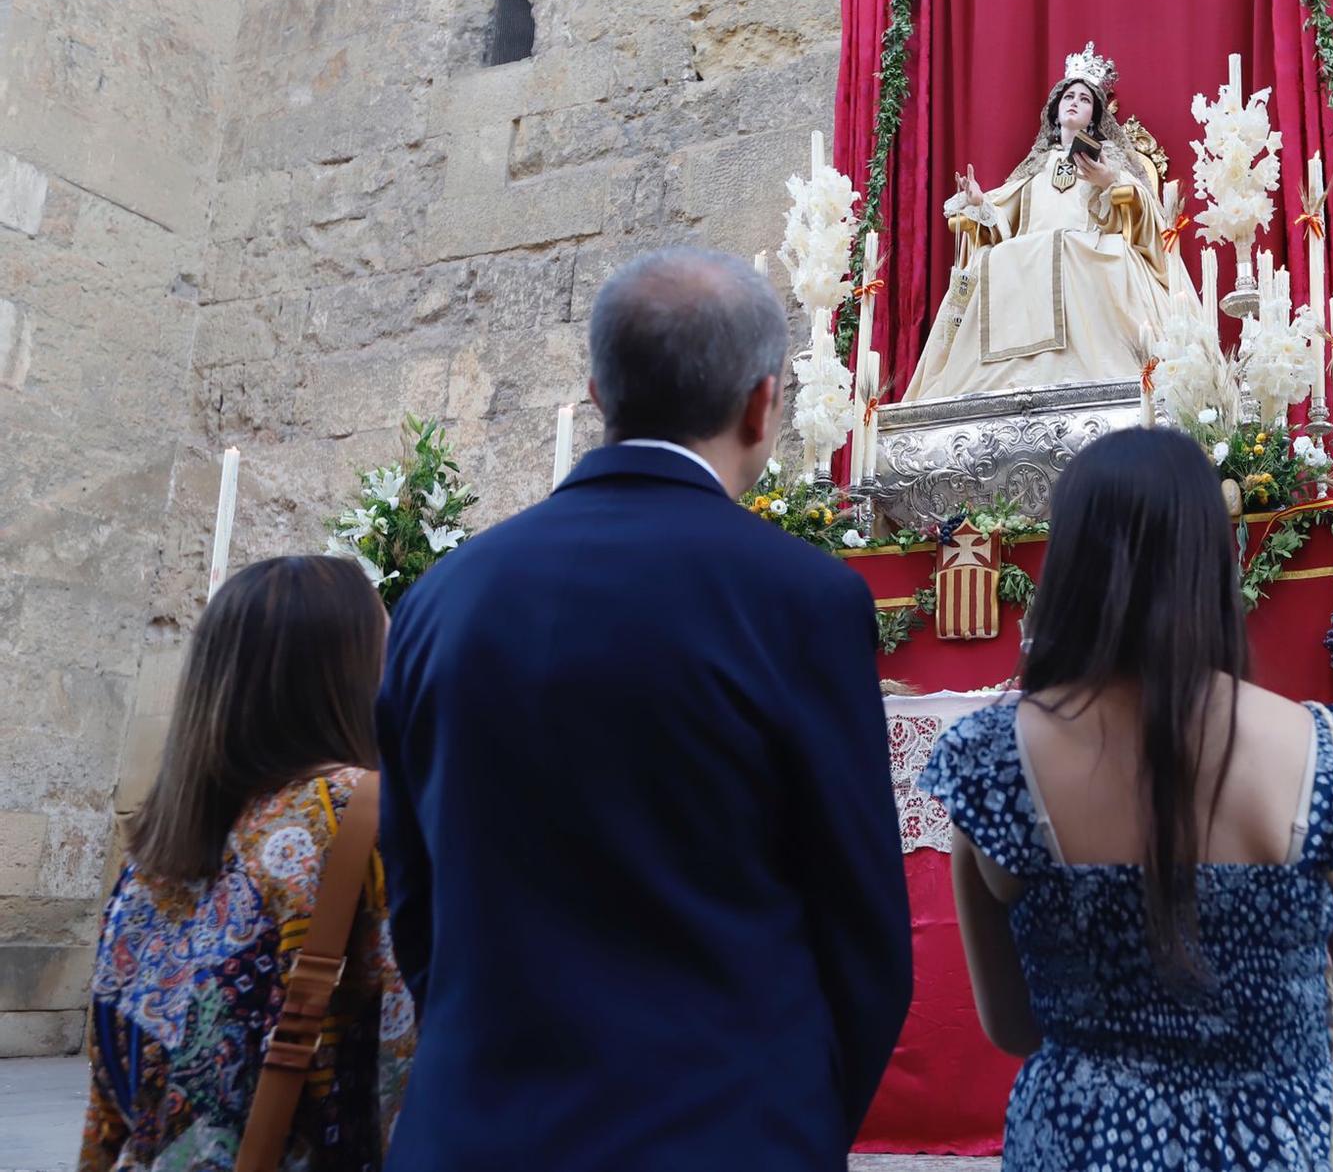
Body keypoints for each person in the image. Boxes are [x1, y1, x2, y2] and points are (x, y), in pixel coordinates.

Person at [374, 246, 912, 1171]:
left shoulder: (439, 598)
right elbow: (862, 937)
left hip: (473, 1132)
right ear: (761, 403)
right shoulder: (801, 600)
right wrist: (792, 1121)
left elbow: (415, 906)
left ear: (596, 392)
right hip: (722, 1131)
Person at [920, 427, 1333, 1171]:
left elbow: (1013, 1025)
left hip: (1084, 1141)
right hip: (1283, 1141)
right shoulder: (1327, 752)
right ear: (1213, 560)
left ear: (1066, 564)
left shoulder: (991, 760)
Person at [79, 556, 413, 1172]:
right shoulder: (360, 818)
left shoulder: (155, 851)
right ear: (346, 678)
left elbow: (110, 1089)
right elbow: (405, 1061)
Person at [902, 42, 1199, 401]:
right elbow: (1006, 220)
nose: (1075, 102)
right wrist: (981, 203)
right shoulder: (1037, 167)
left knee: (1071, 248)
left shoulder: (1110, 162)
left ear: (1096, 116)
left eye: (1085, 99)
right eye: (1068, 96)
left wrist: (1108, 181)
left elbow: (1143, 214)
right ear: (1055, 110)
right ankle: (1003, 382)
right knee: (995, 259)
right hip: (1038, 251)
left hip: (1087, 249)